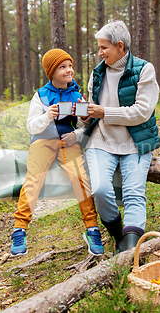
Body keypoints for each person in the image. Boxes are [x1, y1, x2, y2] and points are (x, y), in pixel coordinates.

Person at [10, 48, 104, 257]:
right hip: (42, 141)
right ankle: (20, 229)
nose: (68, 70)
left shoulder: (76, 93)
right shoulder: (41, 95)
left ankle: (92, 229)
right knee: (34, 179)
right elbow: (31, 126)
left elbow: (82, 124)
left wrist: (81, 124)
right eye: (62, 67)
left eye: (69, 66)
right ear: (51, 72)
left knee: (80, 178)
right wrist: (47, 116)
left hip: (68, 141)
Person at [83, 20, 160, 253]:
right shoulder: (97, 73)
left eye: (103, 47)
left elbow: (142, 112)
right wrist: (84, 115)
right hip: (101, 141)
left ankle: (129, 250)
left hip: (136, 143)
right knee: (99, 189)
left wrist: (103, 112)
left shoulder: (144, 70)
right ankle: (118, 235)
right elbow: (92, 110)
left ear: (119, 46)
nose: (99, 53)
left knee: (134, 193)